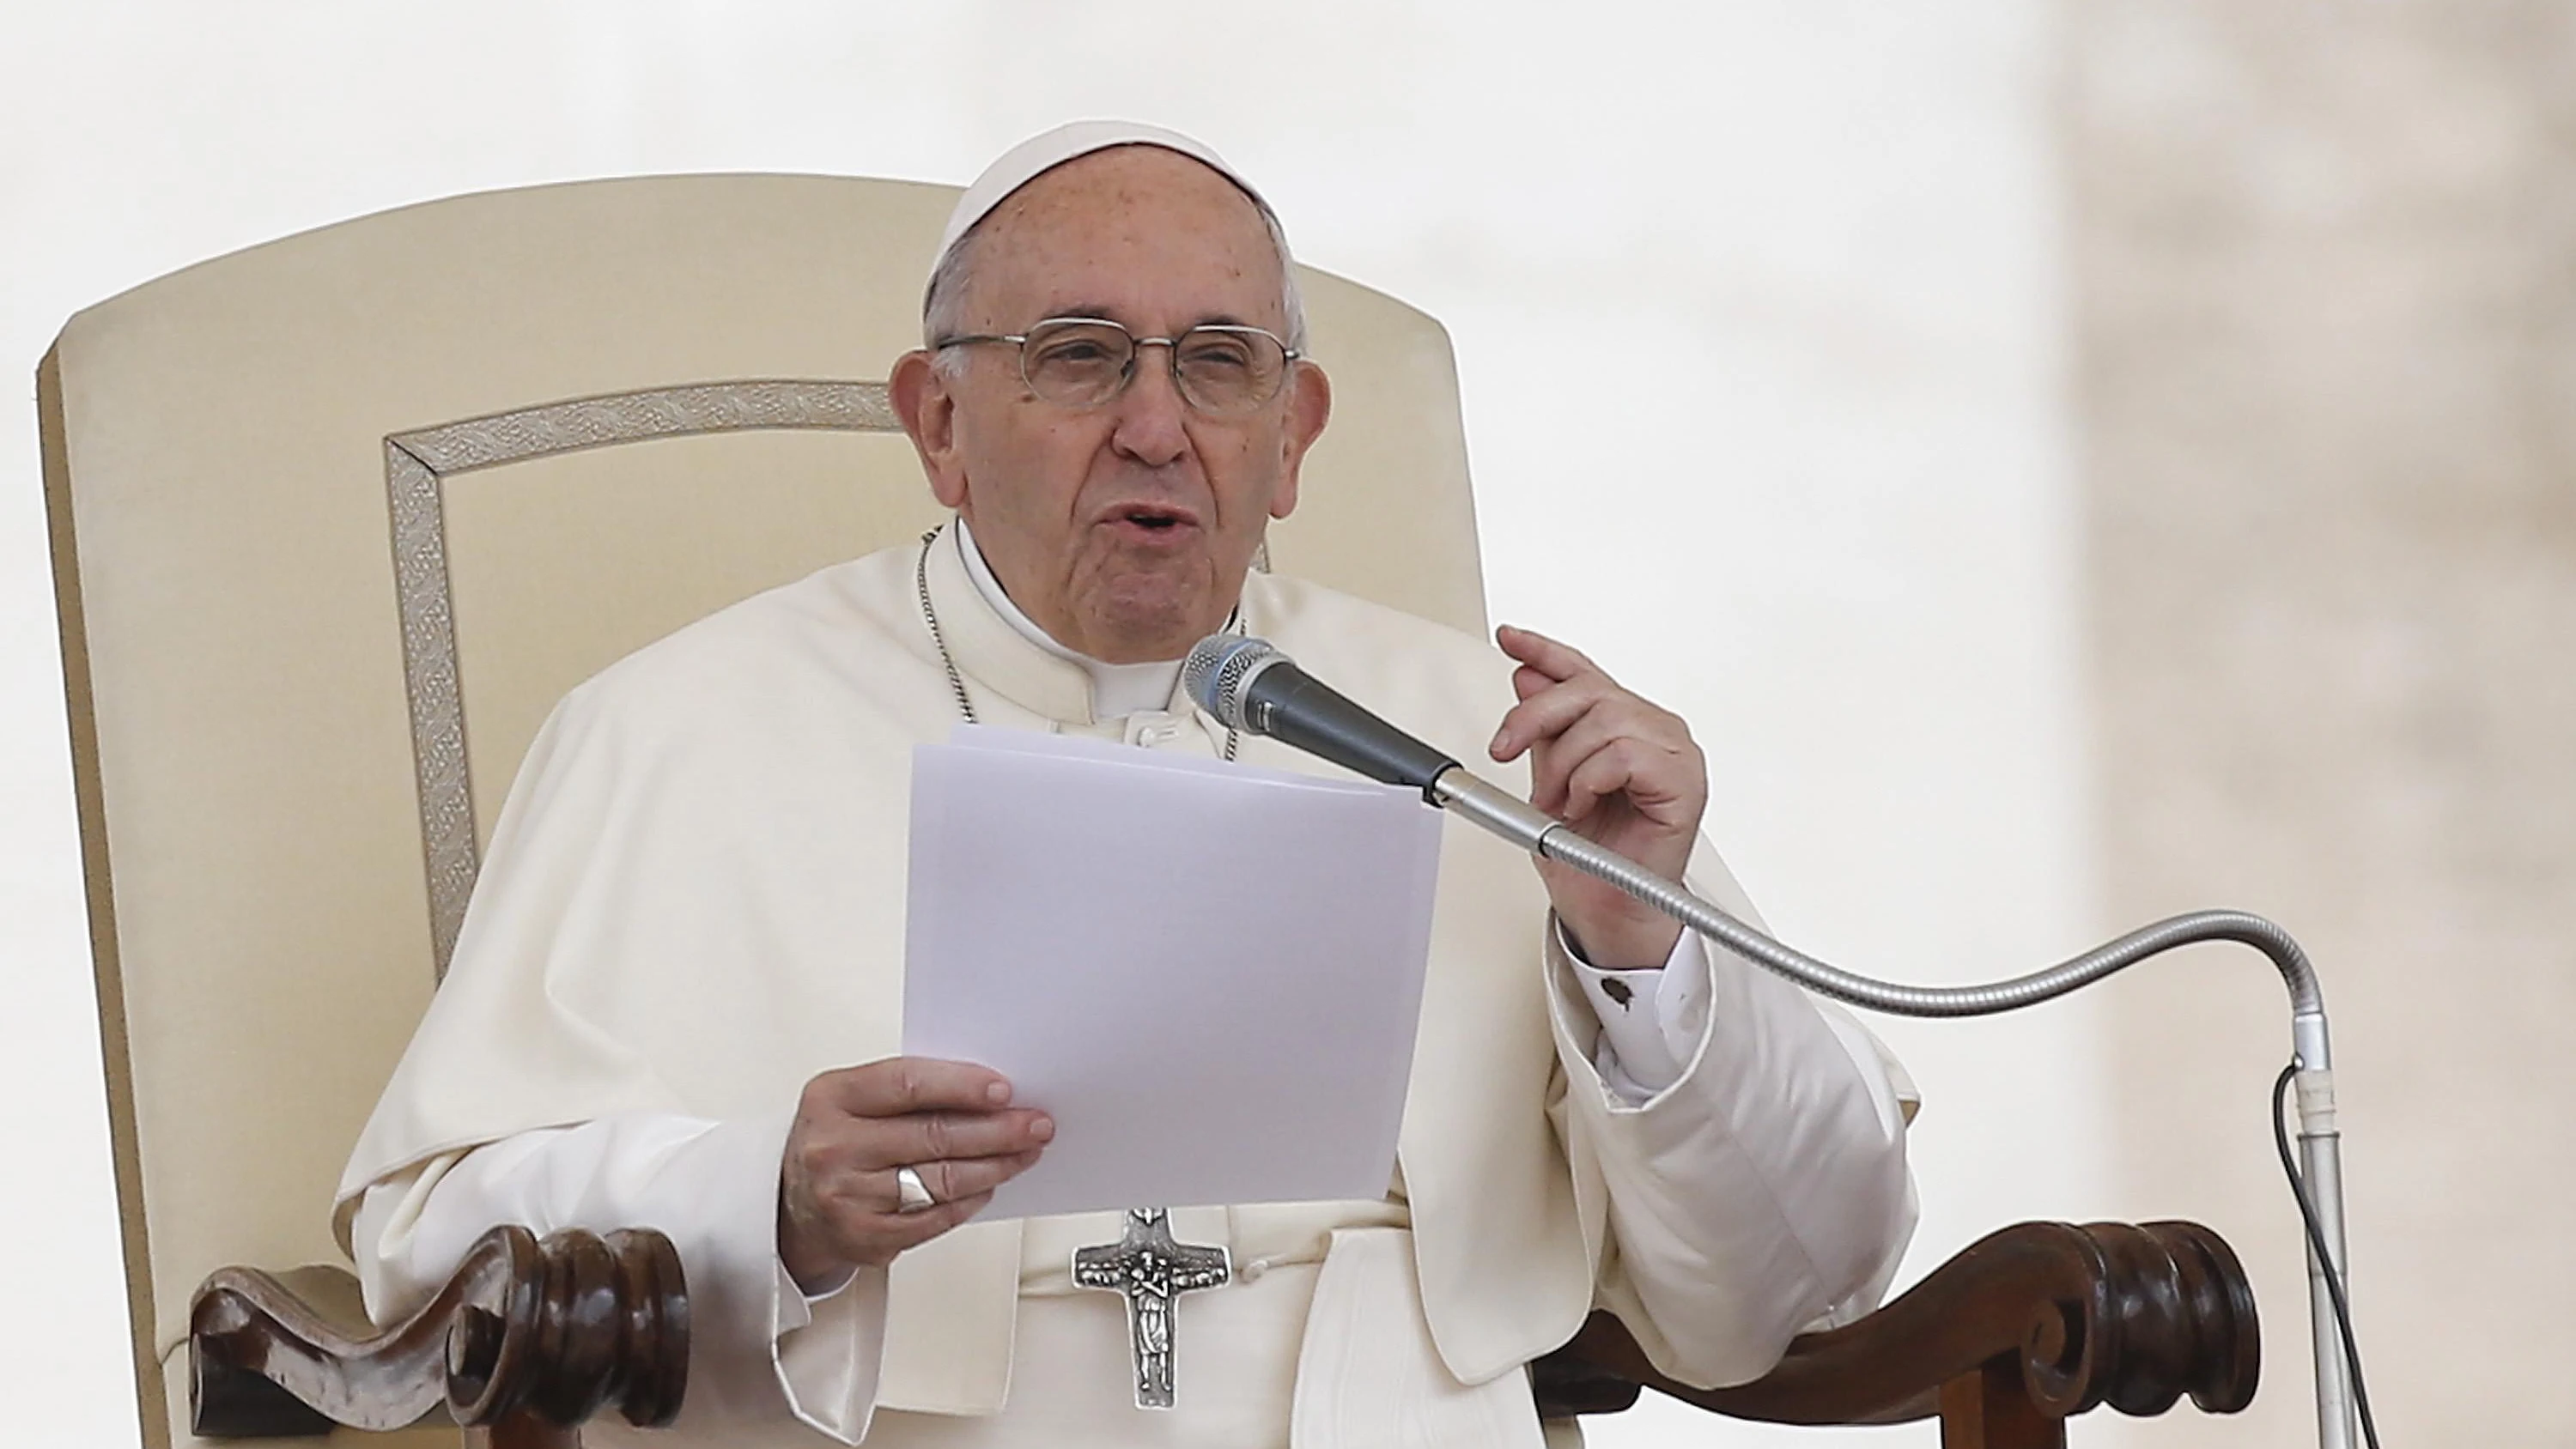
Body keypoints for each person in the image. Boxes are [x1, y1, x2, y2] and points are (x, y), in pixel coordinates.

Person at [338, 121, 1919, 1449]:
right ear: (939, 422)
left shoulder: (1490, 748)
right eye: (1081, 358)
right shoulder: (672, 731)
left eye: (1220, 366)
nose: (1157, 428)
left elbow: (1801, 1279)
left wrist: (1636, 950)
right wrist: (769, 1196)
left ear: (1291, 438)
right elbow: (429, 1241)